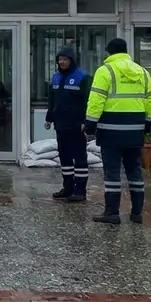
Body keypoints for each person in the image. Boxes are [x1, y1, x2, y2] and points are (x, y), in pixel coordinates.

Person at [83, 38, 151, 225]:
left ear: (109, 52)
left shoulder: (105, 70)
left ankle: (112, 213)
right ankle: (137, 213)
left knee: (112, 172)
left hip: (111, 130)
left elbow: (96, 99)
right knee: (134, 170)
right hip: (135, 129)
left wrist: (90, 123)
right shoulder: (142, 71)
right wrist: (148, 121)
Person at [44, 48, 92, 202]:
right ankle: (68, 187)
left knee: (79, 157)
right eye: (59, 59)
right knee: (64, 156)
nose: (62, 62)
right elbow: (52, 100)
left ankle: (80, 190)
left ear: (71, 60)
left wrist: (86, 122)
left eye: (65, 59)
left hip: (76, 125)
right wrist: (49, 118)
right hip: (61, 124)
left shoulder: (82, 77)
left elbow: (88, 101)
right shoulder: (56, 77)